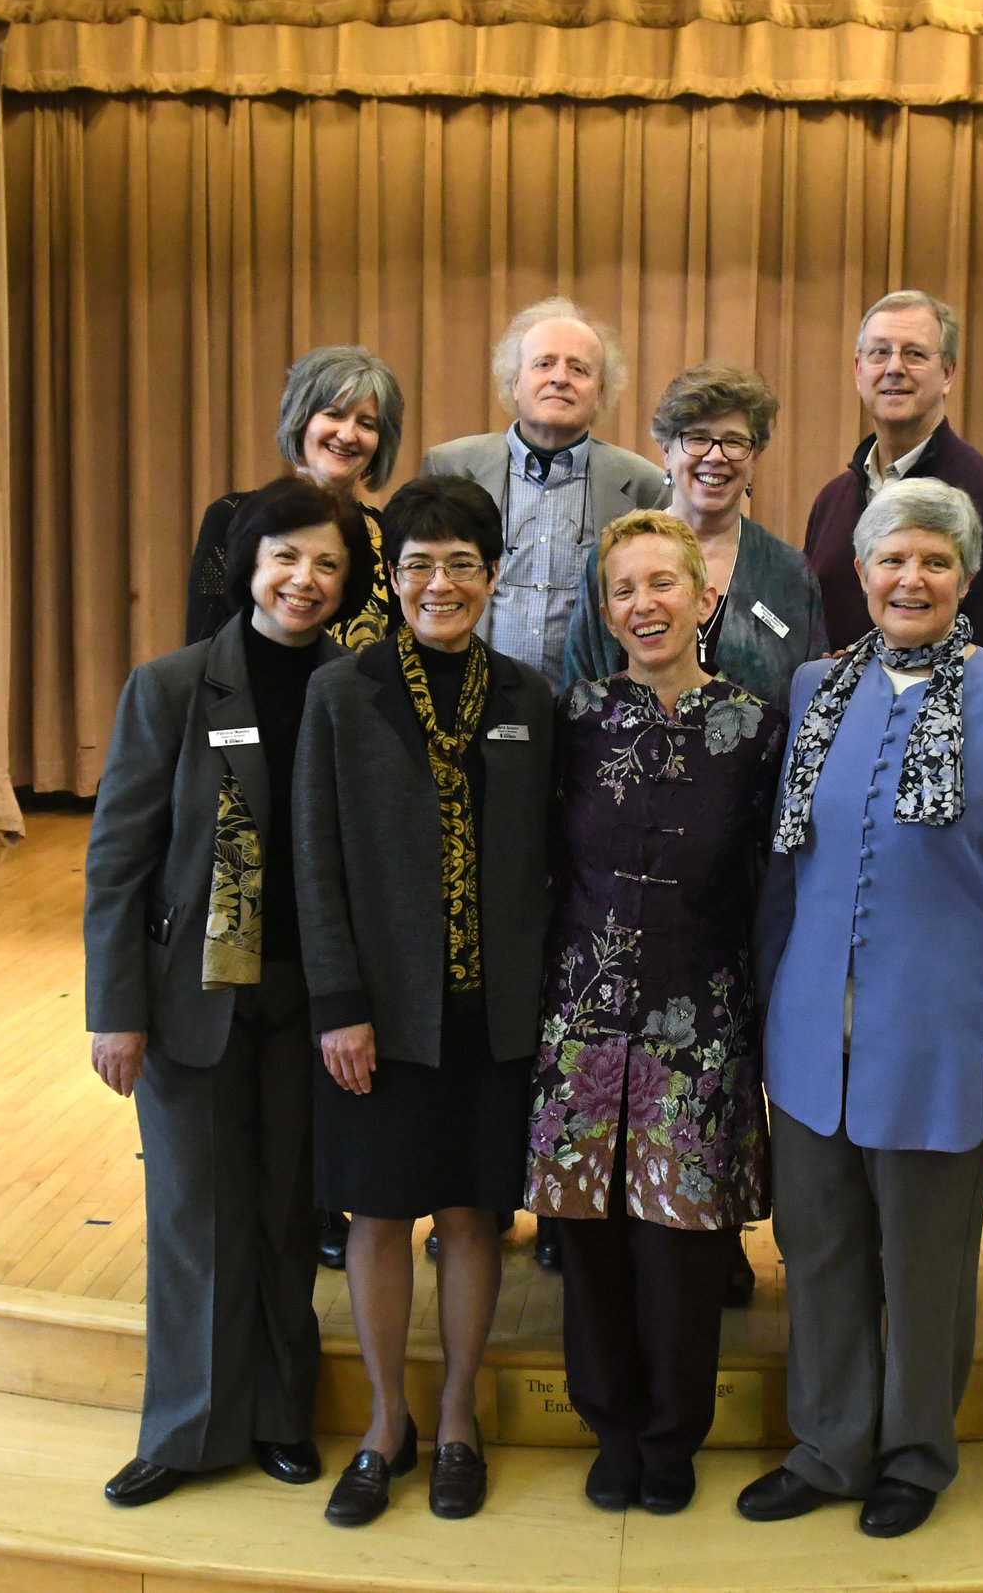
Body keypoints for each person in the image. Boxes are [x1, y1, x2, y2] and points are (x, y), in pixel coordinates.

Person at [738, 478, 983, 1540]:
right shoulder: (812, 688)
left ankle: (916, 1451)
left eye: (933, 560)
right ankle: (830, 1443)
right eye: (890, 558)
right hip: (808, 1041)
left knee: (925, 1264)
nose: (909, 577)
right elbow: (786, 872)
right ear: (861, 572)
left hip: (939, 1043)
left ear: (966, 576)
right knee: (820, 1244)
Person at [83, 477, 374, 1508]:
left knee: (291, 1216)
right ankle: (188, 1426)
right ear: (251, 563)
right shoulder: (169, 686)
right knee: (194, 1217)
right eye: (287, 556)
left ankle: (278, 1415)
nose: (306, 578)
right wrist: (114, 1008)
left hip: (312, 996)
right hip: (190, 996)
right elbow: (117, 860)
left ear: (348, 582)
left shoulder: (360, 686)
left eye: (328, 563)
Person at [295, 474, 557, 1526]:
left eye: (460, 563)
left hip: (492, 1013)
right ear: (389, 576)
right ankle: (383, 1420)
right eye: (416, 562)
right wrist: (338, 1001)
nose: (438, 582)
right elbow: (316, 861)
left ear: (491, 577)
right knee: (378, 1210)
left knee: (469, 1212)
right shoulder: (341, 693)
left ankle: (456, 1414)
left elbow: (548, 859)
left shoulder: (528, 699)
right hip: (379, 1013)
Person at [528, 510, 787, 1515]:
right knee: (585, 1238)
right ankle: (610, 1422)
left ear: (704, 598)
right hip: (582, 1021)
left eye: (662, 584)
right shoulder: (576, 717)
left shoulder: (758, 729)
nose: (645, 604)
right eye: (624, 590)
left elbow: (772, 881)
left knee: (683, 1245)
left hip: (703, 1023)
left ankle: (673, 1433)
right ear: (607, 610)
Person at [800, 291, 983, 674]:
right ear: (858, 369)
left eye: (914, 354)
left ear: (948, 373)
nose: (894, 368)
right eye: (879, 353)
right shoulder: (832, 500)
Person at [424, 298, 667, 686]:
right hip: (468, 700)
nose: (560, 378)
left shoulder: (645, 486)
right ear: (515, 382)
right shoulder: (450, 468)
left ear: (600, 393)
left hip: (590, 714)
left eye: (578, 368)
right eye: (544, 364)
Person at [561, 364, 827, 710]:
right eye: (698, 438)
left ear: (754, 458)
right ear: (667, 453)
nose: (716, 456)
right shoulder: (613, 558)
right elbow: (580, 695)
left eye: (734, 441)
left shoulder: (791, 575)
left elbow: (809, 705)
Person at [182, 346, 407, 652]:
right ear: (301, 420)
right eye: (334, 414)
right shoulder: (234, 517)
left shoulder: (389, 535)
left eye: (366, 424)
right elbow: (205, 648)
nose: (347, 434)